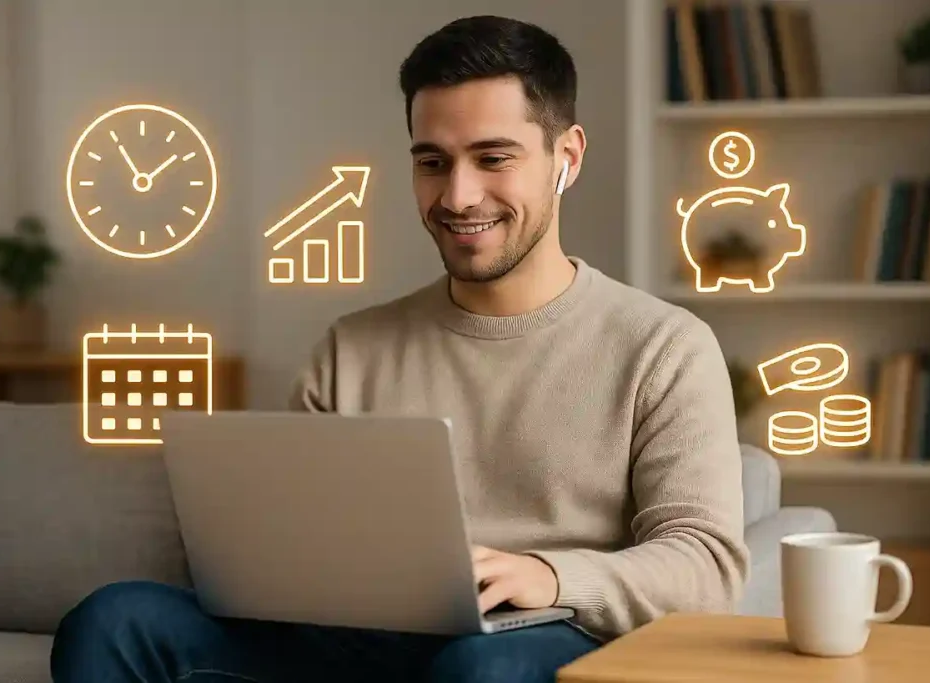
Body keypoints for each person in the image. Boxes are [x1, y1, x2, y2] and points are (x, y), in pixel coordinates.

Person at [50, 14, 749, 683]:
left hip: (535, 638)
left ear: (565, 158)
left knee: (481, 670)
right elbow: (285, 546)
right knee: (113, 620)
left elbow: (706, 563)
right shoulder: (350, 349)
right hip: (355, 645)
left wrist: (551, 575)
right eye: (433, 161)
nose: (458, 194)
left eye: (492, 158)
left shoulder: (663, 346)